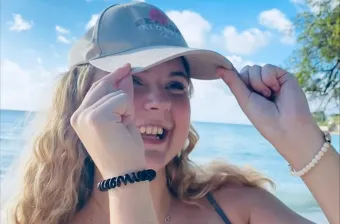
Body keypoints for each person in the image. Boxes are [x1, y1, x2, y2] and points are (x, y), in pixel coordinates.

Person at [1, 2, 339, 224]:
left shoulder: (236, 208)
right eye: (131, 81)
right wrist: (127, 182)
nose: (159, 101)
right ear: (78, 104)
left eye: (176, 85)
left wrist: (300, 139)